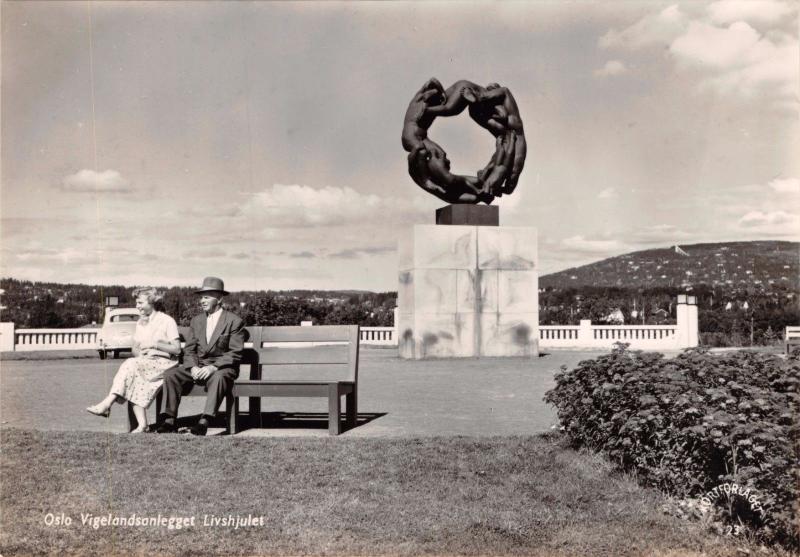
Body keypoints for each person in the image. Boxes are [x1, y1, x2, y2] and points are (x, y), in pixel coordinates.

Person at [154, 276, 245, 436]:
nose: (202, 301)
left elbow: (235, 352)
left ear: (219, 298)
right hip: (198, 367)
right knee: (171, 374)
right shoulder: (196, 321)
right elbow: (189, 350)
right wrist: (193, 366)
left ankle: (204, 421)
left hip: (222, 368)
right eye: (201, 297)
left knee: (219, 377)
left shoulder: (234, 321)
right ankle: (169, 420)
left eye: (206, 297)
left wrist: (213, 367)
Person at [86, 288, 181, 433]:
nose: (137, 306)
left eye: (140, 302)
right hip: (146, 363)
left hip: (165, 364)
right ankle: (143, 425)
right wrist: (141, 353)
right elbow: (134, 349)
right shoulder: (140, 323)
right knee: (132, 372)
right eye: (136, 303)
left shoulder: (167, 321)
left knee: (130, 366)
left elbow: (177, 349)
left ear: (152, 302)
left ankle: (107, 404)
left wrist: (155, 345)